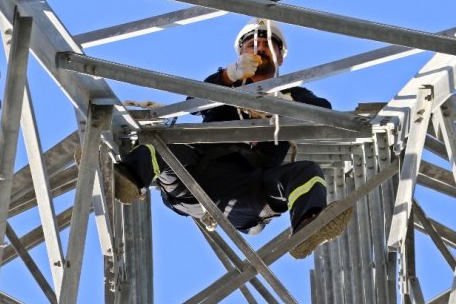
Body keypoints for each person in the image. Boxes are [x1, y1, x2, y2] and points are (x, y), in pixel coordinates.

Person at [112, 19, 351, 259]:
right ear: (240, 53)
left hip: (249, 186)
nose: (259, 48)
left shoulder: (293, 95)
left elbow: (323, 112)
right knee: (159, 145)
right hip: (196, 172)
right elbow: (192, 103)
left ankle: (308, 226)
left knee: (307, 172)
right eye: (251, 44)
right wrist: (229, 76)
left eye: (267, 45)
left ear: (280, 57)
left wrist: (286, 104)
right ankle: (127, 179)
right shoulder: (224, 87)